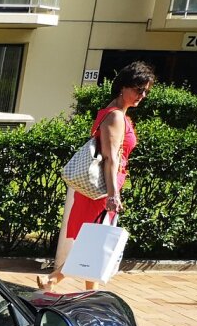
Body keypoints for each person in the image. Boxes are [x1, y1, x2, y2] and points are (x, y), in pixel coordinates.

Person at [42, 61, 155, 291]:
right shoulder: (115, 116)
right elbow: (111, 157)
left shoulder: (114, 112)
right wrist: (113, 195)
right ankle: (52, 280)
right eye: (138, 89)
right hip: (102, 191)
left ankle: (82, 290)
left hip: (101, 189)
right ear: (123, 86)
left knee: (91, 242)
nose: (142, 95)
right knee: (92, 243)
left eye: (145, 91)